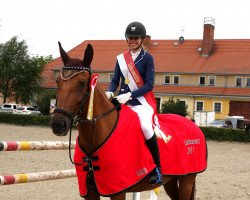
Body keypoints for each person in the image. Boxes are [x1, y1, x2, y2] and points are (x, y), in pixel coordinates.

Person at [106, 21, 162, 184]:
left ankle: (157, 169)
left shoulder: (147, 58)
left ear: (142, 39)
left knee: (145, 126)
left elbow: (149, 85)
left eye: (136, 38)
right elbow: (115, 80)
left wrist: (130, 95)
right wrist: (110, 91)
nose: (133, 41)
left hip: (142, 102)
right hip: (122, 100)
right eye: (130, 38)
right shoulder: (121, 59)